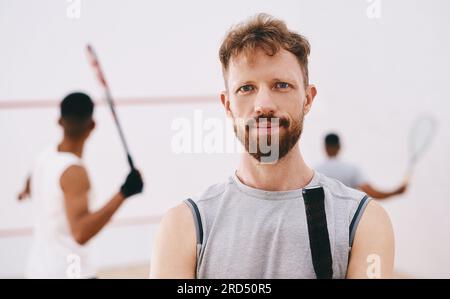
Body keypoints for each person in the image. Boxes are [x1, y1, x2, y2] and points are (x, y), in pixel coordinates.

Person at [150, 14, 394, 279]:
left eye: (281, 85)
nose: (263, 104)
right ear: (228, 105)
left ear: (308, 98)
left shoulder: (363, 221)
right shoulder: (183, 226)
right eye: (246, 88)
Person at [17, 92, 144, 278]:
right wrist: (124, 193)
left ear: (59, 121)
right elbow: (80, 233)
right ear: (92, 125)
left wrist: (27, 192)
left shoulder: (43, 157)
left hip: (36, 271)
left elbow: (26, 189)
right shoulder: (74, 172)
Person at [316, 133, 407, 199]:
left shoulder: (316, 171)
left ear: (325, 147)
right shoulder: (351, 169)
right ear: (339, 147)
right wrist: (396, 192)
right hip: (350, 221)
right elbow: (373, 193)